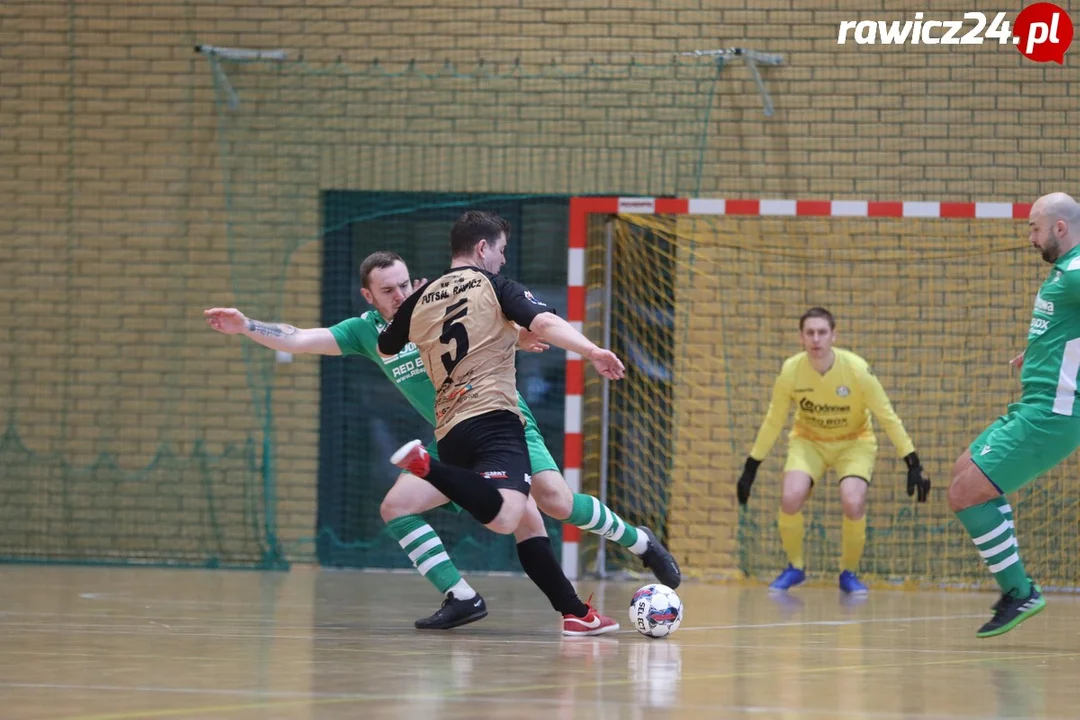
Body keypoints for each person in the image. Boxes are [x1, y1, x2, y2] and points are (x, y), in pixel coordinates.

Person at [205, 247, 679, 634]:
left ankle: (638, 541)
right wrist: (248, 327)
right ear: (368, 296)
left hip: (500, 422)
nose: (400, 294)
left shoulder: (436, 305)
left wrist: (521, 337)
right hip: (450, 437)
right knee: (398, 506)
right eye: (387, 289)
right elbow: (301, 338)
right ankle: (464, 597)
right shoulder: (367, 334)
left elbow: (492, 324)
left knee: (552, 502)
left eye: (405, 284)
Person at [947, 192, 1080, 637]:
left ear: (1059, 228)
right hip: (1033, 406)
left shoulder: (1078, 270)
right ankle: (1017, 586)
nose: (1030, 237)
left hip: (1051, 414)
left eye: (1033, 227)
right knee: (964, 470)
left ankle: (1020, 591)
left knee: (965, 493)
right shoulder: (1067, 271)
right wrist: (1041, 351)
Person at [736, 306, 930, 595]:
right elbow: (774, 419)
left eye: (822, 332)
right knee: (790, 497)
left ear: (833, 335)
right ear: (801, 337)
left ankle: (848, 573)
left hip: (854, 442)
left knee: (852, 502)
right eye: (810, 333)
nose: (816, 339)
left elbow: (886, 415)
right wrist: (751, 466)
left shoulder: (856, 370)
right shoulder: (791, 370)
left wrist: (912, 462)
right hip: (808, 441)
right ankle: (795, 567)